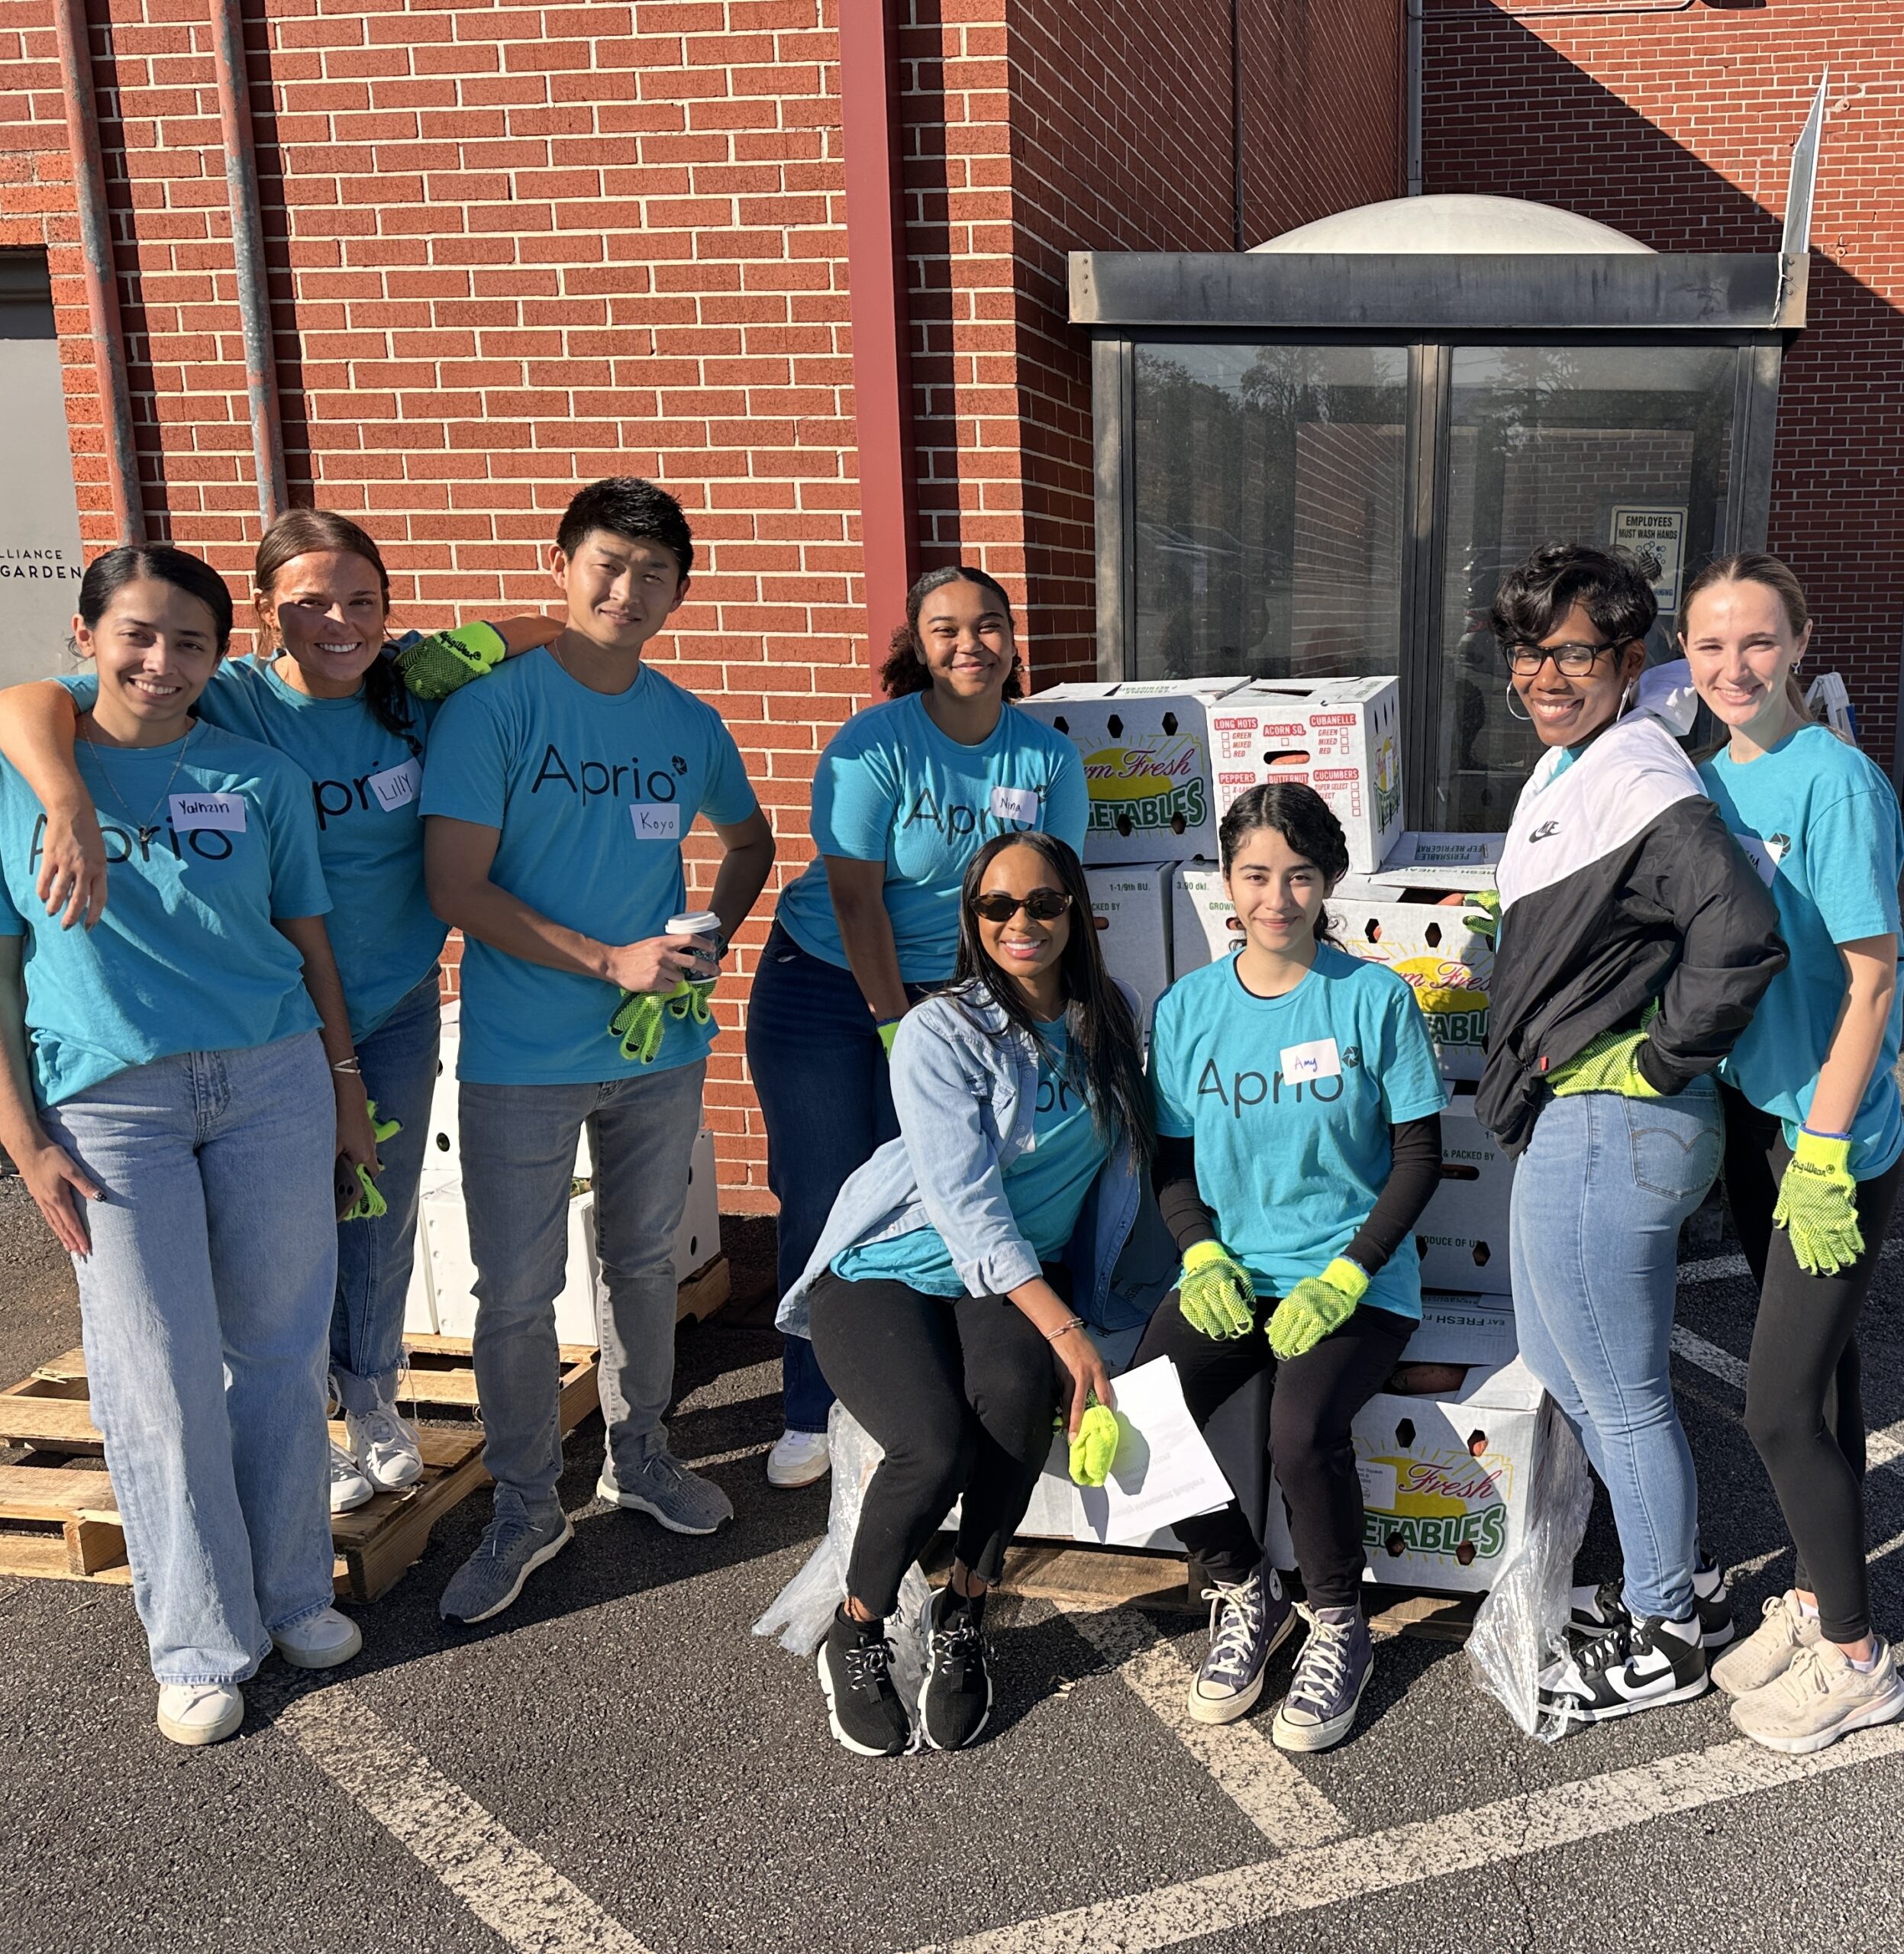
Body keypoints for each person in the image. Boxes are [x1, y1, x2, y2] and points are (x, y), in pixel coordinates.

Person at [0, 511, 560, 1518]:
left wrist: (441, 650)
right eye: (308, 602)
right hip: (270, 1017)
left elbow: (547, 630)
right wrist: (65, 799)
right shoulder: (232, 697)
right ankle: (299, 1421)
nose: (336, 621)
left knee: (371, 1215)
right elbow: (27, 700)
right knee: (278, 1241)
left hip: (387, 1006)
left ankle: (372, 1397)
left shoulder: (410, 697)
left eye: (361, 601)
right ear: (264, 615)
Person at [0, 545, 369, 1746]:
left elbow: (303, 936)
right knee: (155, 1376)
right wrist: (22, 1140)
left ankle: (293, 1591)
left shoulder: (254, 776)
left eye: (191, 643)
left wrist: (345, 1083)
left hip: (271, 1080)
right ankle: (200, 1640)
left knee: (275, 1352)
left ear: (222, 655)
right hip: (111, 1106)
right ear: (86, 635)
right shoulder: (23, 773)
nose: (162, 663)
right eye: (138, 635)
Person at [423, 476, 775, 1623]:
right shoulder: (496, 708)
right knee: (516, 1295)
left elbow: (752, 834)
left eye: (654, 574)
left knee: (641, 1266)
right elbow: (455, 886)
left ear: (681, 592)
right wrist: (606, 960)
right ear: (563, 565)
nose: (628, 591)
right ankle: (526, 1504)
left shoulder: (683, 722)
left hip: (657, 1053)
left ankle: (643, 1458)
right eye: (608, 565)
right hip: (523, 1055)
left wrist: (703, 933)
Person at [1476, 542, 1785, 1727]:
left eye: (1571, 653)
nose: (1544, 675)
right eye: (1527, 653)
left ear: (1625, 660)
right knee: (1571, 1373)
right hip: (1574, 1120)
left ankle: (1662, 1630)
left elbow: (1740, 927)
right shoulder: (1571, 765)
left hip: (1616, 1122)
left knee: (1618, 1387)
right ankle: (1687, 1589)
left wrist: (1659, 1058)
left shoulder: (1635, 765)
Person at [779, 830, 1166, 1756]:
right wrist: (1068, 1330)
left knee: (1015, 1404)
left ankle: (964, 1611)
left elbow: (1129, 1176)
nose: (1020, 922)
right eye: (997, 906)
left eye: (1041, 903)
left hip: (1008, 1279)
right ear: (972, 919)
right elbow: (968, 1211)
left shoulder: (1108, 1017)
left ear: (1076, 911)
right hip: (891, 1262)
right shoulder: (939, 1030)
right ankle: (860, 1626)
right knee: (933, 1445)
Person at [747, 566, 1086, 1490]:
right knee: (825, 1189)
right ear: (918, 644)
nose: (968, 644)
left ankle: (921, 1407)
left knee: (936, 1197)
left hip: (959, 999)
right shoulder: (874, 743)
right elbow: (857, 901)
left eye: (987, 626)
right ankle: (811, 1408)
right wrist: (898, 1029)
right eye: (945, 629)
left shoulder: (1046, 759)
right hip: (825, 982)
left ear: (1015, 641)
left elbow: (1050, 896)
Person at [1134, 783, 1445, 1752]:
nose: (1277, 897)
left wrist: (1352, 1272)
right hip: (1231, 1270)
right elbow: (1171, 1162)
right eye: (1257, 875)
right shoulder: (1186, 1010)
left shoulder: (1373, 997)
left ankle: (1338, 1621)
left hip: (1350, 1279)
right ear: (1225, 882)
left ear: (1329, 883)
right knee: (1143, 1406)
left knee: (1299, 1433)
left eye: (1299, 875)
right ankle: (1240, 1585)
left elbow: (1418, 1155)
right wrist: (1199, 1250)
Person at [1678, 553, 1904, 1752]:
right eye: (1709, 646)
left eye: (1755, 642)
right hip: (1753, 1125)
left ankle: (1862, 1660)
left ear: (1799, 642)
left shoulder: (1837, 783)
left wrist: (1824, 1145)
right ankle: (1822, 1599)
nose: (1731, 667)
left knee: (1770, 1409)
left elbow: (1873, 979)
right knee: (1820, 1385)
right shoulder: (1709, 779)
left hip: (1835, 1142)